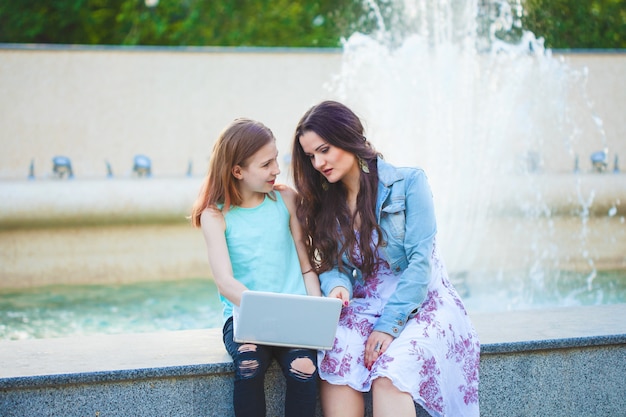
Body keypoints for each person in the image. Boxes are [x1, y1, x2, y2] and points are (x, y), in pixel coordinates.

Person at [290, 100, 480, 417]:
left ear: (348, 136)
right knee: (336, 350)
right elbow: (334, 266)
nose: (318, 162)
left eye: (324, 150)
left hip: (422, 301)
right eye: (310, 156)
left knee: (389, 374)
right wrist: (339, 287)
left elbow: (421, 265)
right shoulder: (328, 200)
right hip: (368, 303)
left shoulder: (409, 183)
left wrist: (387, 327)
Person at [190, 118, 322, 417]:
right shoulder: (216, 215)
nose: (276, 169)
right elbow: (224, 282)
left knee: (304, 369)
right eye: (266, 164)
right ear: (237, 171)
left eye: (276, 159)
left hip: (293, 313)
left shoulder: (285, 199)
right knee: (249, 365)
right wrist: (263, 310)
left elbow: (305, 264)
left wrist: (317, 308)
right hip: (244, 315)